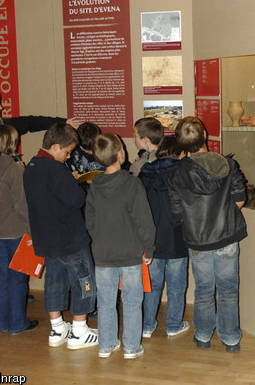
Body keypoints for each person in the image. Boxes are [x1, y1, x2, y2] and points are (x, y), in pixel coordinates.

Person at [0, 86, 79, 313]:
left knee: (15, 249)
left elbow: (30, 122)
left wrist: (63, 122)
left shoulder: (1, 127)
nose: (0, 107)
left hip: (11, 200)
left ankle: (16, 293)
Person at [169, 116, 247, 353]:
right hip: (226, 237)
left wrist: (195, 220)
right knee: (228, 290)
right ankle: (231, 339)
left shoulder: (177, 173)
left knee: (203, 290)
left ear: (181, 143)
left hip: (198, 240)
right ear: (205, 135)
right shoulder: (228, 165)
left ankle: (203, 336)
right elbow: (241, 199)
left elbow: (177, 212)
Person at [23, 123, 98, 350]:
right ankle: (79, 331)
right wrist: (75, 183)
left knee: (54, 281)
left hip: (46, 239)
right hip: (69, 239)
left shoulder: (32, 166)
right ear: (55, 146)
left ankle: (57, 328)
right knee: (84, 280)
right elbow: (76, 200)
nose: (68, 156)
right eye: (66, 152)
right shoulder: (56, 169)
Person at [85, 133, 156, 359]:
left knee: (105, 302)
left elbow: (90, 221)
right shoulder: (132, 183)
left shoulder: (95, 185)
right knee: (133, 301)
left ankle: (106, 345)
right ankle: (131, 347)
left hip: (103, 254)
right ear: (120, 153)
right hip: (130, 254)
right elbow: (144, 220)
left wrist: (101, 240)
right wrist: (149, 248)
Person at [0, 124, 38, 335]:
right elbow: (22, 204)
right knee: (18, 277)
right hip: (15, 230)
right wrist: (32, 230)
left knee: (1, 275)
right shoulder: (14, 168)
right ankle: (18, 323)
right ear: (10, 143)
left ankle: (3, 323)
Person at [139, 136, 189, 339]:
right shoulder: (183, 173)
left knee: (151, 285)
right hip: (178, 236)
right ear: (180, 152)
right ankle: (173, 325)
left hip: (152, 237)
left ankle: (147, 325)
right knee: (177, 285)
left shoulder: (145, 172)